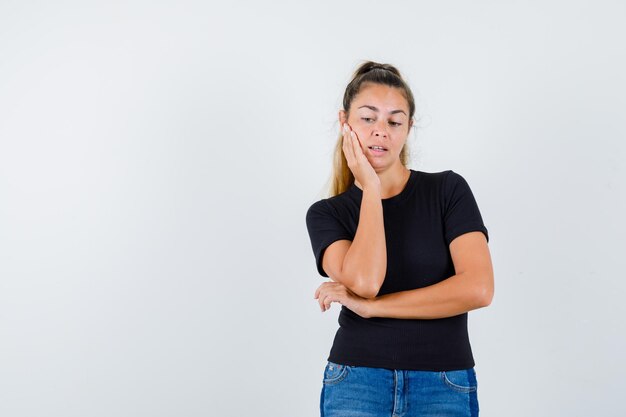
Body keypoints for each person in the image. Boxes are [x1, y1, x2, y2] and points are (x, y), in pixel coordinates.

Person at [305, 61, 494, 417]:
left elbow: (479, 289)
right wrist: (371, 190)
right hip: (357, 382)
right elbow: (366, 281)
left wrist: (372, 309)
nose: (381, 132)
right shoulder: (326, 214)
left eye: (394, 121)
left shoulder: (448, 191)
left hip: (444, 382)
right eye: (368, 118)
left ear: (408, 129)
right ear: (344, 123)